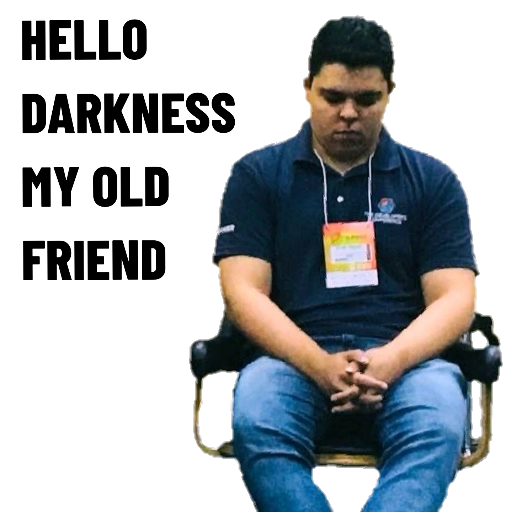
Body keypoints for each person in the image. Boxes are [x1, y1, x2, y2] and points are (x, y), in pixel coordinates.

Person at [213, 16, 478, 512]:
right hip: (291, 361)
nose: (349, 113)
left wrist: (390, 360)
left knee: (441, 417)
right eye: (333, 97)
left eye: (367, 99)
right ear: (307, 89)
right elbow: (241, 290)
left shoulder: (433, 181)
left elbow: (457, 296)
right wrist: (319, 365)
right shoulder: (258, 176)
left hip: (406, 363)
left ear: (389, 94)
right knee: (255, 412)